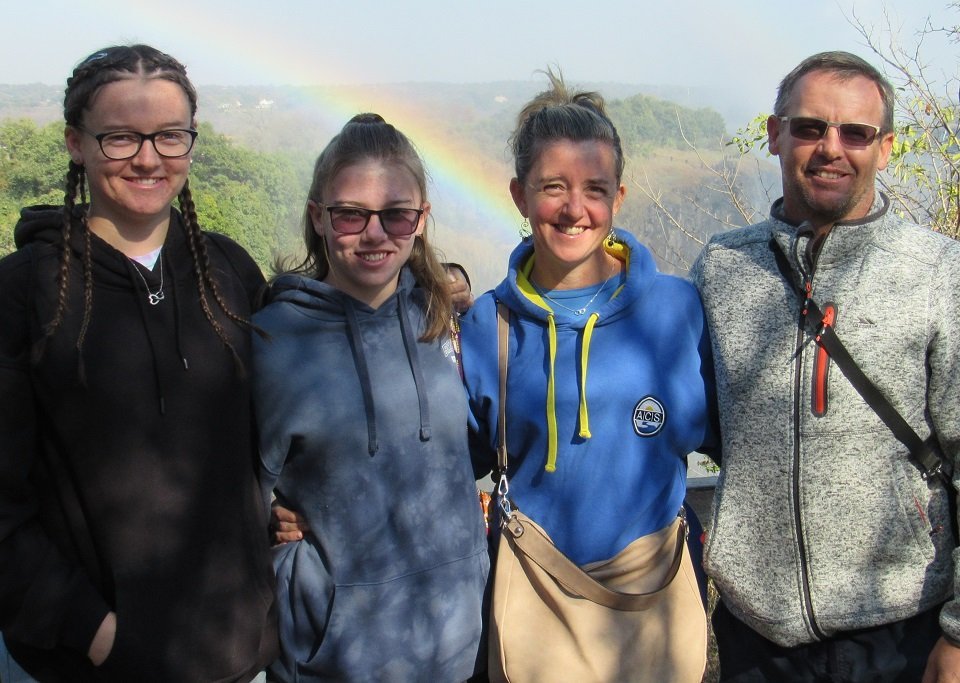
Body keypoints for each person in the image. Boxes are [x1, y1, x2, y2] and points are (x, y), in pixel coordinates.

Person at [0, 45, 278, 681]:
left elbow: (270, 438)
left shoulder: (229, 273)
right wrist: (98, 635)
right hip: (85, 664)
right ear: (76, 142)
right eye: (121, 137)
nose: (149, 158)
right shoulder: (22, 295)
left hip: (237, 654)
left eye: (170, 136)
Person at [692, 51, 960, 682]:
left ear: (886, 147)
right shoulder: (722, 269)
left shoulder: (937, 273)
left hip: (900, 632)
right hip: (756, 639)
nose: (830, 148)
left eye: (856, 133)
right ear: (775, 133)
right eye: (809, 127)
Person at [457, 70, 716, 680]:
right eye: (553, 187)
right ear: (519, 196)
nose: (575, 209)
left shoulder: (676, 310)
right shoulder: (487, 325)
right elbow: (444, 466)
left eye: (594, 188)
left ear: (619, 198)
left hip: (654, 595)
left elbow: (739, 438)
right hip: (536, 593)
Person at [252, 113, 489, 682]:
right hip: (334, 660)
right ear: (319, 217)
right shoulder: (271, 342)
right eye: (351, 214)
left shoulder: (445, 324)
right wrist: (273, 529)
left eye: (397, 214)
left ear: (421, 219)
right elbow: (224, 497)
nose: (375, 233)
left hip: (458, 649)